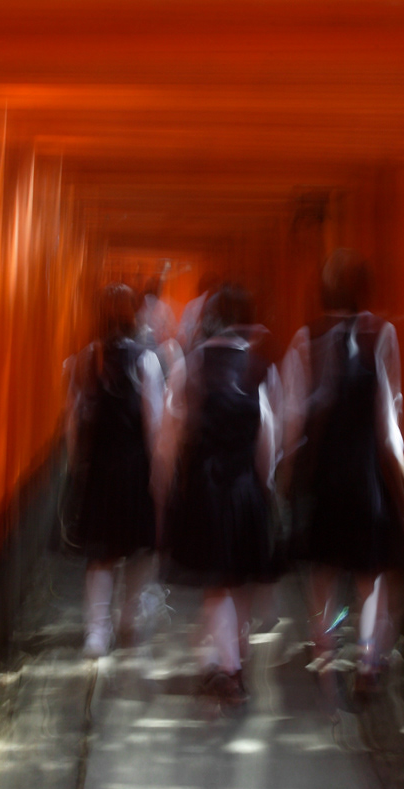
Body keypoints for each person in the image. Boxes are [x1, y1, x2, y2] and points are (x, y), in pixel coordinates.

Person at [284, 249, 404, 689]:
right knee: (370, 574)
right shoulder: (380, 334)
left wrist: (285, 477)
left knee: (323, 568)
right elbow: (390, 426)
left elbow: (292, 417)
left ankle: (324, 650)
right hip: (366, 472)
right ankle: (369, 661)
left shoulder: (304, 337)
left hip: (321, 472)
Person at [162, 285, 278, 703]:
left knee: (217, 583)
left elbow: (171, 432)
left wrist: (164, 485)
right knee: (239, 579)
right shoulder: (260, 366)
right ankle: (232, 661)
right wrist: (264, 484)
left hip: (205, 485)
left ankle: (227, 669)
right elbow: (269, 434)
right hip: (245, 483)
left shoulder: (190, 365)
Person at [64, 283, 165, 657]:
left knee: (100, 554)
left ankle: (96, 632)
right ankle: (128, 618)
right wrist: (160, 470)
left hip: (100, 466)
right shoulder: (147, 360)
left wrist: (77, 465)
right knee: (138, 549)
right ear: (132, 315)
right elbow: (155, 422)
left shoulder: (84, 359)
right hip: (135, 464)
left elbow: (73, 420)